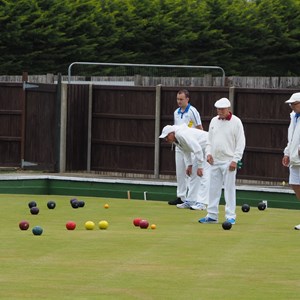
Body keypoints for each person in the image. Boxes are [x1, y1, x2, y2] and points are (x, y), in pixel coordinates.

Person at [199, 97, 246, 225]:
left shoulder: (236, 122)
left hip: (229, 161)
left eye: (222, 109)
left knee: (229, 189)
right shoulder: (214, 121)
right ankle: (212, 215)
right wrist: (208, 153)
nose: (219, 111)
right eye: (218, 109)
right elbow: (209, 140)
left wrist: (235, 160)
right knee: (213, 189)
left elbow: (241, 143)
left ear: (228, 109)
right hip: (214, 161)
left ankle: (231, 216)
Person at [159, 123, 210, 210]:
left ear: (172, 133)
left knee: (204, 175)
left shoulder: (182, 134)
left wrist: (200, 166)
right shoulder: (176, 139)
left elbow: (197, 149)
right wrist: (189, 165)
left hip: (208, 147)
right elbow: (186, 151)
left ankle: (202, 203)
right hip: (200, 150)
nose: (166, 139)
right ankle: (191, 200)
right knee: (194, 174)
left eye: (167, 136)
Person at [168, 89, 203, 207]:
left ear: (187, 99)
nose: (179, 101)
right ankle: (181, 196)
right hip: (179, 145)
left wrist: (197, 143)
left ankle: (191, 197)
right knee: (180, 172)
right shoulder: (176, 112)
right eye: (178, 99)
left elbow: (199, 127)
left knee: (191, 172)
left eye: (181, 99)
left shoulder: (193, 111)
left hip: (191, 145)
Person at [282, 92, 300, 230]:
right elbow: (292, 137)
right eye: (291, 104)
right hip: (295, 159)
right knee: (295, 184)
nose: (291, 107)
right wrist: (287, 153)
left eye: (294, 104)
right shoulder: (293, 117)